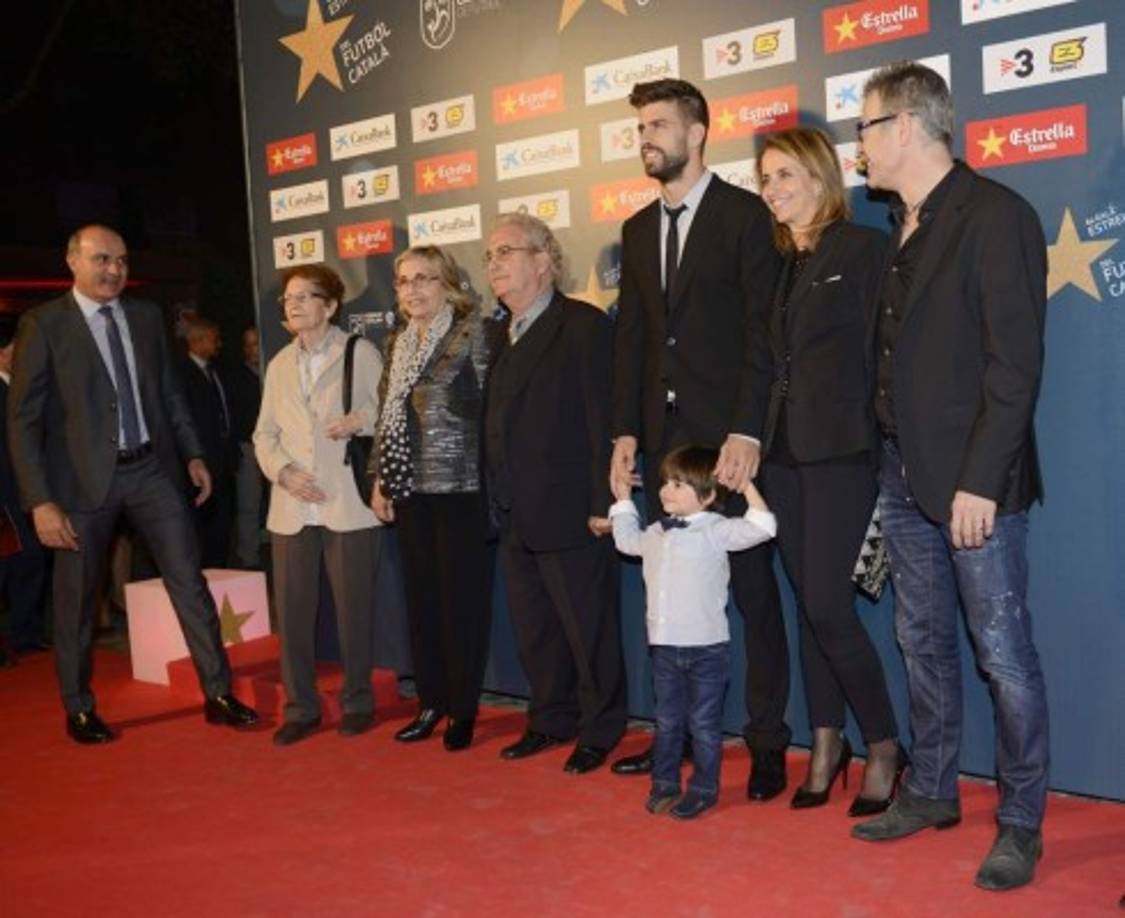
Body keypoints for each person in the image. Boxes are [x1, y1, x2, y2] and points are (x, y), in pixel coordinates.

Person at [849, 61, 1049, 893]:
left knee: (1001, 656)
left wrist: (979, 479)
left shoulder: (995, 216)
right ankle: (931, 789)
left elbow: (1014, 368)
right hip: (899, 474)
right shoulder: (899, 224)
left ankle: (1021, 822)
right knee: (920, 640)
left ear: (903, 126)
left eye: (862, 127)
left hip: (974, 485)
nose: (854, 145)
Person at [6, 224, 258, 742]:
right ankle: (78, 707)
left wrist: (192, 454)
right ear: (72, 261)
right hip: (78, 485)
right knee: (76, 599)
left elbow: (168, 395)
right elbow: (23, 421)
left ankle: (217, 692)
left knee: (188, 579)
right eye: (101, 259)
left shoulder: (146, 318)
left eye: (121, 260)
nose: (114, 270)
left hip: (151, 471)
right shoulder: (44, 324)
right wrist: (41, 501)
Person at [610, 78, 790, 798]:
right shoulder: (633, 229)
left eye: (657, 124)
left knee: (752, 593)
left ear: (697, 132)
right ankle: (679, 742)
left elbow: (762, 337)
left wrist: (745, 429)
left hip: (728, 446)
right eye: (639, 127)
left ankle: (770, 742)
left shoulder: (745, 217)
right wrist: (623, 431)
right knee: (674, 601)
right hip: (662, 449)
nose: (645, 137)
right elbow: (632, 343)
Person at [756, 127, 904, 813]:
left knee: (825, 604)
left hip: (843, 451)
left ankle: (880, 742)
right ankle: (824, 737)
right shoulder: (782, 262)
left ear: (820, 179)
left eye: (784, 175)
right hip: (782, 455)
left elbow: (886, 352)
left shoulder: (864, 249)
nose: (772, 190)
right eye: (764, 178)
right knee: (806, 606)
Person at [483, 212, 626, 774]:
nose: (493, 264)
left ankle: (601, 728)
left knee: (588, 628)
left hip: (571, 509)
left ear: (543, 261)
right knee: (536, 630)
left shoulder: (584, 326)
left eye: (505, 252)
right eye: (489, 255)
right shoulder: (501, 333)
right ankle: (550, 719)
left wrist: (602, 501)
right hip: (514, 509)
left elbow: (601, 420)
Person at [369, 245, 496, 752]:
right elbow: (387, 415)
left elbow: (493, 414)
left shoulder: (475, 335)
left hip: (461, 490)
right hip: (411, 490)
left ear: (448, 284)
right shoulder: (398, 342)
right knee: (421, 603)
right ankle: (430, 702)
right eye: (404, 281)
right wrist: (380, 477)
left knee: (460, 604)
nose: (413, 289)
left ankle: (462, 710)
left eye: (425, 278)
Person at [254, 263, 384, 746]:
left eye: (305, 297)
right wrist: (283, 473)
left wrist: (356, 420)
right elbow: (264, 434)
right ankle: (300, 707)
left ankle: (358, 702)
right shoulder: (279, 364)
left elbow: (384, 411)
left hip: (347, 501)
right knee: (291, 613)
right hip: (291, 506)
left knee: (355, 610)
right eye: (288, 299)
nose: (293, 305)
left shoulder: (359, 351)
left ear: (329, 306)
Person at [610, 445, 776, 819]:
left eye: (680, 485)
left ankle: (703, 788)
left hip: (707, 649)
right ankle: (664, 784)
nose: (667, 490)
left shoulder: (716, 530)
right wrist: (622, 500)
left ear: (708, 495)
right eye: (666, 482)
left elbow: (765, 528)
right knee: (667, 722)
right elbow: (625, 541)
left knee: (703, 724)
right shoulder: (655, 531)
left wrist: (746, 485)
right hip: (664, 649)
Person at [0, 314, 49, 656]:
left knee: (30, 563)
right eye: (18, 348)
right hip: (4, 496)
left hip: (25, 492)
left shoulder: (19, 389)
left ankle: (25, 635)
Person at [180, 316, 237, 567]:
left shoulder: (215, 371)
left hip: (223, 461)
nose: (220, 345)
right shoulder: (180, 374)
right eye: (214, 340)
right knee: (203, 524)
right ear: (198, 340)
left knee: (223, 522)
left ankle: (220, 570)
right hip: (200, 463)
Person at [227, 326, 266, 568]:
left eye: (257, 343)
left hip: (282, 446)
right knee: (249, 505)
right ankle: (249, 559)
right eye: (249, 344)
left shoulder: (276, 370)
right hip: (249, 447)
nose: (254, 349)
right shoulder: (237, 377)